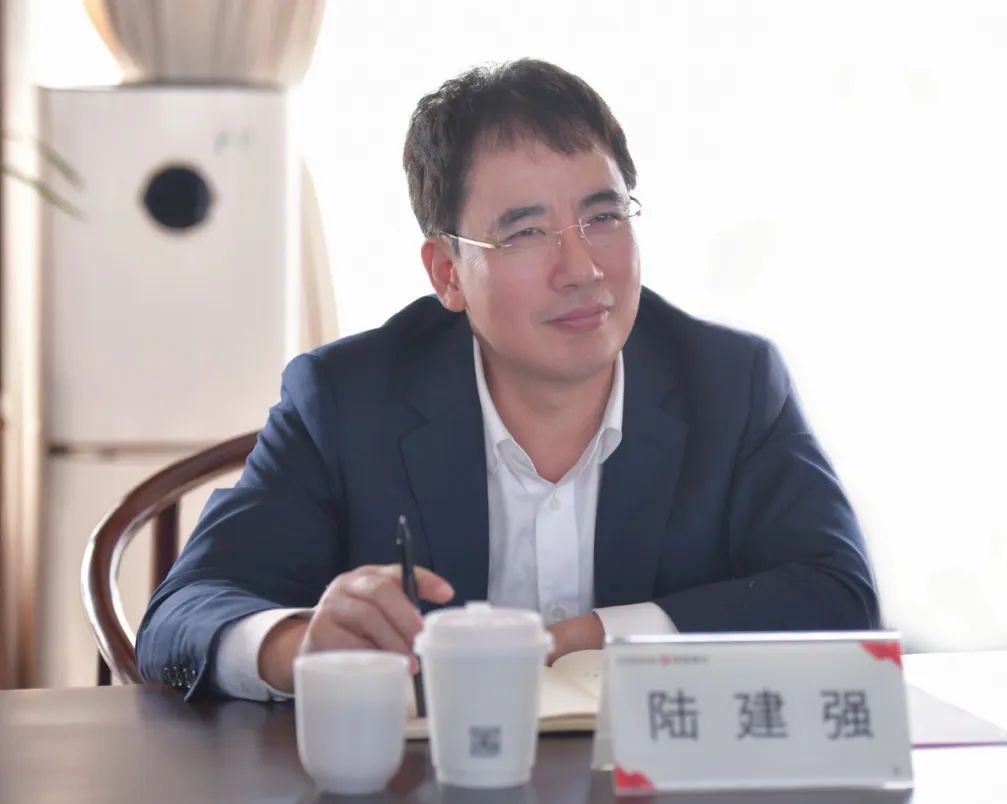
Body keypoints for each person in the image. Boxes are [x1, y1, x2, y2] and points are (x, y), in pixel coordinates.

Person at [135, 59, 878, 701]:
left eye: (604, 217)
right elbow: (181, 615)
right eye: (525, 233)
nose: (582, 269)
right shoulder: (345, 401)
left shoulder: (730, 384)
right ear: (447, 273)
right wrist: (299, 646)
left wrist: (589, 639)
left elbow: (840, 597)